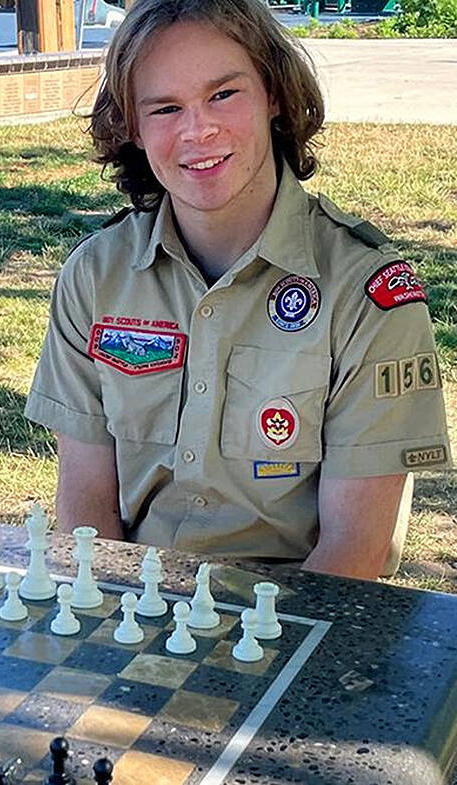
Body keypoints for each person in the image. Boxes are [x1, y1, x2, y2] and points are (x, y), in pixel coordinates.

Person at [24, 0, 453, 580]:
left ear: (274, 93)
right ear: (133, 126)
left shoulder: (366, 295)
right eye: (165, 107)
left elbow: (356, 550)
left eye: (224, 94)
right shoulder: (97, 276)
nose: (198, 130)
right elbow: (85, 509)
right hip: (133, 604)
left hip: (294, 626)